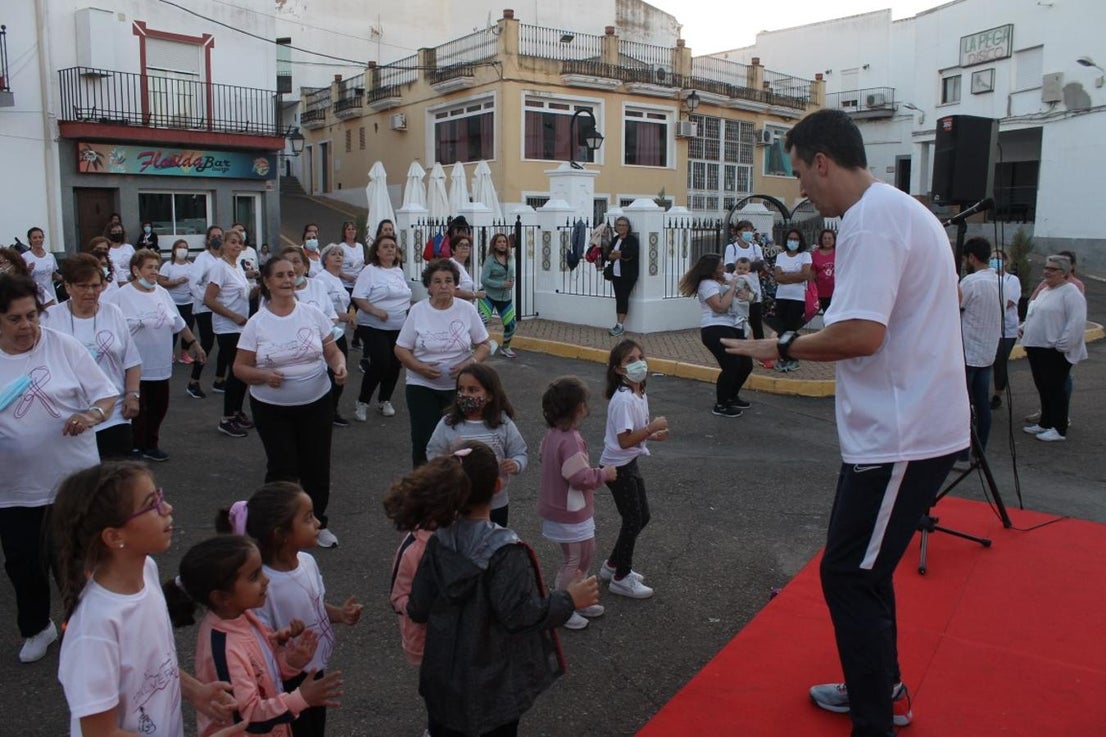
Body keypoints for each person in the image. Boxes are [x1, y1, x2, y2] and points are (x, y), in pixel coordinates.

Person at [723, 108, 970, 737]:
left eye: (801, 172)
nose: (800, 188)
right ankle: (880, 688)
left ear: (823, 162)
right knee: (863, 569)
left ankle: (875, 719)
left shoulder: (870, 222)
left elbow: (862, 334)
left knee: (847, 575)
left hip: (900, 435)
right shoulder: (895, 209)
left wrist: (781, 347)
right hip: (898, 432)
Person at [383, 441, 598, 737]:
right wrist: (569, 600)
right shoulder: (506, 552)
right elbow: (520, 616)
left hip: (442, 682)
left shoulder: (436, 541)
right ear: (497, 487)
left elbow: (418, 608)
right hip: (493, 691)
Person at [54, 462, 243, 737]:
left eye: (161, 497)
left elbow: (155, 665)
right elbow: (99, 733)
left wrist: (196, 691)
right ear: (114, 536)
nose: (167, 509)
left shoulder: (147, 570)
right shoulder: (95, 629)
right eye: (152, 504)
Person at [0, 274, 117, 663]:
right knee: (23, 563)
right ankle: (37, 627)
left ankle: (86, 629)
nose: (27, 326)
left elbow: (105, 395)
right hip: (13, 488)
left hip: (72, 482)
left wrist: (90, 414)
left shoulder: (62, 346)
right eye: (15, 319)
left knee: (74, 561)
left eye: (32, 315)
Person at [217, 482, 363, 737]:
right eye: (308, 519)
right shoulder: (263, 586)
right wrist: (286, 646)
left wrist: (340, 614)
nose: (318, 523)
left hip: (314, 668)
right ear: (280, 534)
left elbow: (314, 605)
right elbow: (258, 643)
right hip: (285, 680)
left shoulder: (308, 562)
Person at [164, 535, 344, 737]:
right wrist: (300, 698)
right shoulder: (223, 649)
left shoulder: (244, 617)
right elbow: (246, 717)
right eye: (254, 576)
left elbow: (262, 673)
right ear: (222, 597)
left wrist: (290, 661)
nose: (266, 580)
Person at [234, 257, 347, 548]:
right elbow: (240, 368)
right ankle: (278, 526)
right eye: (281, 275)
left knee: (317, 466)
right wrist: (261, 375)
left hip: (316, 401)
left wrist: (339, 366)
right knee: (283, 466)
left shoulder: (312, 314)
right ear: (267, 283)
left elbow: (332, 352)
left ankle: (317, 522)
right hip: (272, 408)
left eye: (292, 274)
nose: (288, 279)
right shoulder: (256, 323)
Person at [105, 249, 206, 461]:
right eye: (149, 267)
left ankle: (151, 444)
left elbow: (178, 322)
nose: (154, 272)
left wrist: (194, 343)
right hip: (135, 366)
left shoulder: (162, 293)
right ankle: (135, 445)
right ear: (135, 270)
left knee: (159, 407)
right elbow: (110, 328)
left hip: (161, 364)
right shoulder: (121, 296)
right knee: (138, 409)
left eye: (156, 268)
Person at [394, 259, 491, 468]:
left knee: (459, 439)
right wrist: (419, 367)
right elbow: (401, 349)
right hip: (422, 386)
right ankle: (424, 487)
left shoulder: (466, 309)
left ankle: (457, 484)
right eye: (437, 281)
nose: (444, 285)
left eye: (449, 280)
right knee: (424, 439)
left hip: (459, 388)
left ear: (455, 284)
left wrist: (470, 362)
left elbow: (484, 344)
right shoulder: (418, 311)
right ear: (429, 286)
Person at [45, 253, 142, 460]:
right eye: (82, 286)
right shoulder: (51, 319)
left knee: (114, 482)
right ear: (68, 286)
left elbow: (131, 360)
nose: (90, 292)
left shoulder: (113, 313)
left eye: (95, 285)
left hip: (113, 414)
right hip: (69, 417)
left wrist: (133, 395)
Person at [538, 376, 617, 630]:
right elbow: (578, 476)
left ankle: (576, 598)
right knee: (575, 559)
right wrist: (604, 473)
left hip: (566, 510)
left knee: (585, 553)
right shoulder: (570, 439)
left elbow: (544, 457)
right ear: (580, 408)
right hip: (568, 512)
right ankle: (563, 605)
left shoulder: (553, 434)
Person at [599, 339, 668, 599]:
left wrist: (652, 436)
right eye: (630, 360)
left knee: (642, 516)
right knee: (632, 519)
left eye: (640, 356)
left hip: (629, 462)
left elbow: (632, 434)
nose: (639, 363)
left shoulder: (639, 392)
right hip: (617, 467)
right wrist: (650, 429)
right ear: (618, 370)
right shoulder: (624, 399)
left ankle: (613, 564)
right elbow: (624, 440)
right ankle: (621, 577)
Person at [426, 363, 527, 527]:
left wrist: (516, 464)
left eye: (472, 390)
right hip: (457, 500)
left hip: (496, 503)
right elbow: (433, 451)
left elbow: (520, 452)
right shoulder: (448, 423)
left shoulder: (502, 424)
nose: (465, 394)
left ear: (490, 395)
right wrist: (445, 467)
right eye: (461, 389)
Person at [1020, 254, 1087, 442]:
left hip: (1053, 351)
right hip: (1037, 347)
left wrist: (1061, 345)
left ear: (1064, 273)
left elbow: (1076, 322)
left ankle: (1059, 428)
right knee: (1043, 387)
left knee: (1055, 389)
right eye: (1046, 268)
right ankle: (1045, 423)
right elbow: (1035, 313)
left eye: (1052, 269)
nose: (1047, 272)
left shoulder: (1071, 292)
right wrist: (1024, 328)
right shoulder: (1045, 290)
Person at [677, 253, 753, 418]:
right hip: (714, 328)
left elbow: (743, 283)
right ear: (712, 270)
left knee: (746, 365)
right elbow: (720, 307)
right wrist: (732, 289)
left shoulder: (723, 277)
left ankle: (732, 396)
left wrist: (745, 293)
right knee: (731, 365)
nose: (724, 268)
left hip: (734, 325)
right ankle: (721, 404)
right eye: (720, 266)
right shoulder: (707, 284)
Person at [352, 234, 411, 422]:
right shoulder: (369, 271)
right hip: (373, 324)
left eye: (393, 247)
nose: (390, 250)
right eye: (385, 247)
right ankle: (362, 402)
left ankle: (384, 400)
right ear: (377, 251)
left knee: (395, 364)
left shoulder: (398, 271)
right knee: (381, 361)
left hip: (398, 326)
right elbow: (358, 297)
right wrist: (376, 311)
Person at [204, 229, 252, 437]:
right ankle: (227, 418)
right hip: (228, 327)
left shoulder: (237, 267)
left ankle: (237, 410)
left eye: (239, 243)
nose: (236, 246)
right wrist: (232, 316)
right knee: (236, 371)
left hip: (242, 326)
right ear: (223, 244)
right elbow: (209, 299)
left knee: (242, 372)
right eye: (232, 242)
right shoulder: (219, 268)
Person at [958, 237, 1001, 455]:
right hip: (987, 353)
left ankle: (962, 453)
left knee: (962, 407)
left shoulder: (971, 283)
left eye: (966, 258)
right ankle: (980, 451)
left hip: (967, 354)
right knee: (982, 405)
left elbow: (953, 308)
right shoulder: (999, 282)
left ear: (971, 258)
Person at [316, 244, 354, 427]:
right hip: (327, 332)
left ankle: (332, 409)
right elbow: (320, 308)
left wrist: (349, 313)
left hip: (339, 331)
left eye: (341, 254)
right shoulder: (322, 280)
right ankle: (325, 410)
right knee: (331, 373)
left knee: (339, 371)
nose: (338, 257)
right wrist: (345, 316)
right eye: (333, 254)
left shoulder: (337, 279)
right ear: (325, 259)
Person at [188, 226, 225, 400]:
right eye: (213, 236)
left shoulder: (224, 259)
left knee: (225, 344)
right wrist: (207, 300)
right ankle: (193, 381)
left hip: (221, 307)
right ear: (208, 240)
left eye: (220, 236)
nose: (217, 238)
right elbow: (193, 283)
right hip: (205, 308)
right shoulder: (203, 259)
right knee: (207, 343)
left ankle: (219, 379)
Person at [772, 228, 812, 372]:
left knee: (789, 328)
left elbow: (805, 275)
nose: (793, 242)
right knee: (782, 329)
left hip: (798, 297)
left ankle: (791, 357)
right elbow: (777, 277)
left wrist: (786, 276)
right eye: (790, 239)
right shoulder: (781, 256)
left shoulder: (805, 255)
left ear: (800, 241)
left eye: (796, 239)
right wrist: (795, 275)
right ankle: (785, 356)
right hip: (782, 297)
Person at [723, 219, 768, 347]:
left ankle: (762, 354)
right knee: (738, 324)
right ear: (738, 233)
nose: (748, 233)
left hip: (754, 292)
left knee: (757, 325)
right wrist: (751, 265)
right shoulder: (731, 248)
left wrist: (743, 266)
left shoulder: (756, 247)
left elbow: (761, 264)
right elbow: (730, 267)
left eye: (750, 230)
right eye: (745, 230)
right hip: (738, 293)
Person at [989, 250, 1022, 410]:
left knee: (1000, 363)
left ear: (1006, 261)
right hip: (989, 328)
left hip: (1006, 329)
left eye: (998, 258)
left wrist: (988, 305)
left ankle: (997, 394)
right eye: (992, 258)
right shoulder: (988, 278)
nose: (995, 261)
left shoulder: (1012, 280)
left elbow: (1009, 302)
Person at [478, 232, 518, 359]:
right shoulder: (490, 260)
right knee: (482, 321)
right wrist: (501, 284)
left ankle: (505, 348)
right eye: (499, 242)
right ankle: (480, 347)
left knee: (511, 324)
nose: (502, 244)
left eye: (504, 242)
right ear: (494, 245)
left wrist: (511, 282)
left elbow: (511, 273)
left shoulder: (511, 258)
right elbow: (484, 279)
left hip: (504, 297)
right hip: (488, 296)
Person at [159, 239, 197, 364]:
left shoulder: (192, 266)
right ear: (174, 250)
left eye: (185, 247)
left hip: (188, 302)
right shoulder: (168, 265)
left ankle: (184, 353)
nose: (182, 249)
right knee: (171, 329)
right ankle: (169, 353)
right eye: (180, 247)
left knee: (188, 328)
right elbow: (161, 282)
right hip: (172, 302)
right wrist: (176, 282)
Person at [605, 216, 639, 337]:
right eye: (619, 225)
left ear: (628, 227)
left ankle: (620, 325)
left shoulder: (632, 240)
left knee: (623, 298)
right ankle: (618, 324)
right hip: (616, 274)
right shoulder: (615, 240)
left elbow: (630, 254)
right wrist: (615, 255)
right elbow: (609, 254)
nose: (621, 227)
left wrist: (619, 254)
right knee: (619, 298)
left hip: (628, 275)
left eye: (624, 225)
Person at [21, 227, 59, 307]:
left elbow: (53, 274)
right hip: (34, 296)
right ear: (30, 240)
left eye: (40, 237)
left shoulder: (50, 256)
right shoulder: (24, 257)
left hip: (50, 296)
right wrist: (27, 271)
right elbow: (20, 278)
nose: (38, 240)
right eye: (35, 238)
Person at [448, 237, 485, 303]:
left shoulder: (461, 267)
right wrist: (475, 295)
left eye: (467, 245)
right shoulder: (452, 265)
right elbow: (454, 292)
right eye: (460, 245)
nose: (465, 247)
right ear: (453, 250)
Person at [812, 228, 837, 312]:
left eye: (830, 238)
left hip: (835, 293)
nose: (827, 240)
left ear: (834, 240)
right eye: (825, 238)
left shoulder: (839, 253)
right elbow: (812, 275)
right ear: (821, 240)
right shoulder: (815, 254)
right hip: (819, 293)